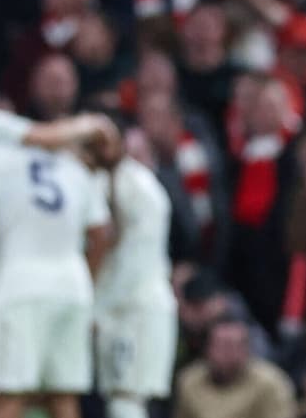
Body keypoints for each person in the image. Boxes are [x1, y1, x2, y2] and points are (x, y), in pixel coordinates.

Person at [0, 134, 113, 418]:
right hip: (73, 288)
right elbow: (101, 233)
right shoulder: (74, 166)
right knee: (64, 394)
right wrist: (88, 279)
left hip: (19, 286)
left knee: (10, 392)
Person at [93, 127, 178, 418]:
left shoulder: (128, 183)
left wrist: (96, 308)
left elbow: (120, 250)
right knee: (128, 398)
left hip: (131, 305)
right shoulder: (141, 184)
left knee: (125, 398)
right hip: (143, 302)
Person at [173, 314, 297, 418]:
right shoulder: (189, 381)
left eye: (234, 346)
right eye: (222, 346)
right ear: (207, 348)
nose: (228, 353)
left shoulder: (271, 383)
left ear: (248, 349)